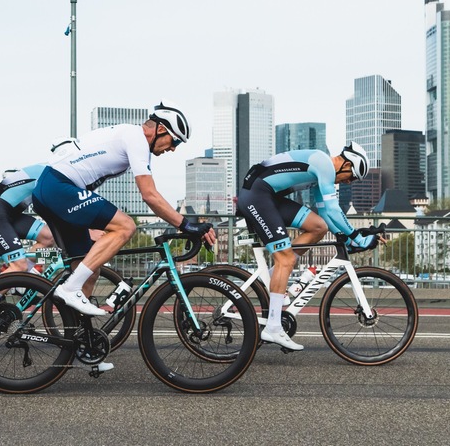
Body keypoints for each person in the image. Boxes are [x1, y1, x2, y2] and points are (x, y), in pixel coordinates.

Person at [32, 101, 215, 318]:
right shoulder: (136, 138)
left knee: (88, 268)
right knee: (126, 226)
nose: (173, 148)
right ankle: (70, 289)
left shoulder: (129, 136)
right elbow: (149, 195)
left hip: (53, 189)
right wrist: (186, 225)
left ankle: (77, 336)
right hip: (58, 187)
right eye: (174, 141)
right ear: (161, 129)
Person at [236, 141, 377, 351]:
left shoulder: (323, 174)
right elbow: (334, 209)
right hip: (257, 195)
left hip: (267, 196)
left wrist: (348, 239)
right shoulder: (323, 163)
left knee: (317, 227)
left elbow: (327, 216)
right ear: (347, 165)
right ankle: (273, 327)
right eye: (352, 177)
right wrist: (357, 237)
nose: (348, 183)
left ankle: (275, 275)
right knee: (287, 258)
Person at [0, 137, 79, 275]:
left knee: (48, 237)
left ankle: (24, 280)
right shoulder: (51, 172)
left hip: (9, 215)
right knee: (19, 265)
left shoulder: (53, 171)